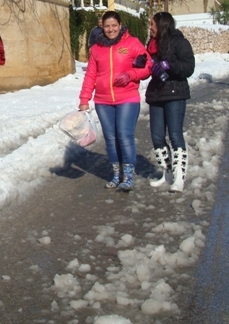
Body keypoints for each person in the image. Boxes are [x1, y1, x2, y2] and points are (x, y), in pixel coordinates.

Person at [79, 10, 152, 191]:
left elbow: (148, 65)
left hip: (127, 97)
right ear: (101, 27)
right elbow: (90, 75)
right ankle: (116, 174)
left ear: (120, 26)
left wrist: (131, 74)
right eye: (107, 26)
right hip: (103, 101)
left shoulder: (132, 43)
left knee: (124, 136)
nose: (110, 29)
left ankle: (128, 176)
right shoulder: (96, 49)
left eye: (114, 26)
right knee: (110, 139)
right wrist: (84, 98)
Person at [145, 11, 196, 192]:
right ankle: (166, 172)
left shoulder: (180, 42)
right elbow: (147, 67)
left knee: (175, 135)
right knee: (157, 137)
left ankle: (179, 177)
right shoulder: (151, 44)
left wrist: (170, 66)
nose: (150, 28)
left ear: (162, 25)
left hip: (175, 93)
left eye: (152, 24)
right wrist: (141, 63)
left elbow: (189, 67)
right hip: (156, 94)